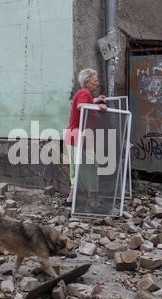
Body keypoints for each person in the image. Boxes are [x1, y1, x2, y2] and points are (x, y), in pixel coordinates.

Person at [64, 68, 107, 207]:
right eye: (95, 81)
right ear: (87, 82)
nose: (97, 83)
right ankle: (93, 198)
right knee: (91, 165)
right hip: (79, 135)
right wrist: (98, 106)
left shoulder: (85, 94)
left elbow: (84, 102)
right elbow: (80, 105)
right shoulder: (84, 92)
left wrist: (96, 100)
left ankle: (72, 197)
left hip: (75, 135)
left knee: (76, 166)